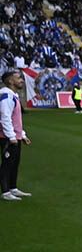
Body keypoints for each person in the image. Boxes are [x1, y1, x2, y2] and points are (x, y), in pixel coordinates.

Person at [1, 69, 32, 201]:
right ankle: (5, 191)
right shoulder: (6, 95)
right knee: (7, 164)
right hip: (7, 138)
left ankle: (13, 188)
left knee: (14, 163)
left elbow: (16, 119)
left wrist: (22, 135)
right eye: (18, 78)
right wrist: (11, 136)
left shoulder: (13, 96)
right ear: (10, 81)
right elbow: (5, 117)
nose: (21, 80)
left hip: (15, 136)